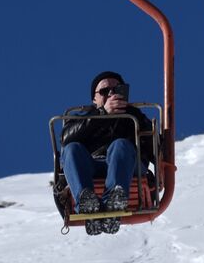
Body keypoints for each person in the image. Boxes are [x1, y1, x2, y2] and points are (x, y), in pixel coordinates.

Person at [59, 71, 154, 235]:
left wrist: (131, 116)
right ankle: (86, 201)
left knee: (120, 145)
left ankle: (114, 198)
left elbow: (154, 146)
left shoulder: (134, 116)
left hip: (126, 167)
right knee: (72, 149)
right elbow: (66, 139)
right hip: (92, 165)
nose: (110, 94)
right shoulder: (83, 118)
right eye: (104, 91)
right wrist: (102, 114)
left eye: (116, 90)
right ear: (94, 99)